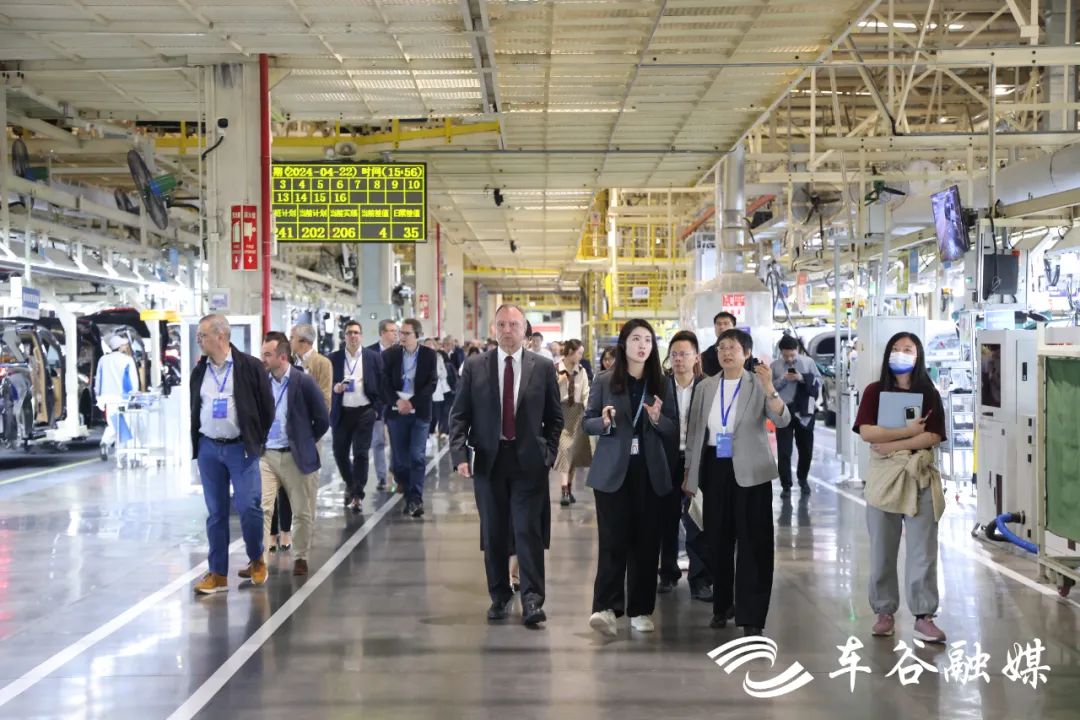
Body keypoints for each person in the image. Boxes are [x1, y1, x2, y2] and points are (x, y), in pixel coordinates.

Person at [449, 304, 563, 627]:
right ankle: (499, 595)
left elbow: (555, 418)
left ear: (525, 329)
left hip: (529, 463)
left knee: (528, 531)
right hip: (489, 462)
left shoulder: (543, 367)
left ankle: (532, 599)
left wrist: (548, 453)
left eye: (514, 324)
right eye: (502, 324)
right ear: (494, 329)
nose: (508, 330)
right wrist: (459, 456)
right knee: (494, 532)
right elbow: (459, 415)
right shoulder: (475, 366)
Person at [684, 329, 790, 636]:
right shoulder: (706, 386)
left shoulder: (757, 384)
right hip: (714, 468)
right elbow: (695, 432)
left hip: (752, 472)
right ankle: (722, 605)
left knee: (754, 543)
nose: (726, 353)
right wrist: (690, 473)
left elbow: (782, 420)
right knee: (717, 540)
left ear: (746, 353)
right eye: (721, 348)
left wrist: (770, 388)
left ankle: (752, 616)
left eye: (732, 347)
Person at [584, 319, 677, 637]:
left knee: (647, 542)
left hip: (649, 471)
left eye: (648, 340)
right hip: (612, 472)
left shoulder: (662, 383)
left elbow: (672, 427)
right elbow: (587, 422)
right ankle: (606, 608)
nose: (642, 345)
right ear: (624, 344)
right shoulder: (605, 380)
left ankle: (641, 609)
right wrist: (603, 422)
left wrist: (658, 419)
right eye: (636, 339)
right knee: (613, 541)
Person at [853, 332, 947, 643]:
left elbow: (932, 436)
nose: (901, 354)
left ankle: (924, 615)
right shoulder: (875, 391)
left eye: (908, 349)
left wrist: (894, 442)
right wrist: (907, 432)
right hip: (884, 479)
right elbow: (867, 433)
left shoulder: (928, 393)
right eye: (895, 349)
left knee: (923, 550)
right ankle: (884, 612)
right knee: (882, 549)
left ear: (918, 355)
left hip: (919, 476)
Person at [190, 315, 275, 595]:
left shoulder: (249, 366)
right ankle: (217, 574)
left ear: (221, 336)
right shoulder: (200, 371)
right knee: (216, 513)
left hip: (241, 448)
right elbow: (196, 406)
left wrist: (256, 439)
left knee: (249, 506)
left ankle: (256, 559)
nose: (199, 340)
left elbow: (267, 408)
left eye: (202, 335)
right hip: (209, 448)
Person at [256, 332, 330, 576]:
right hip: (267, 454)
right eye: (263, 353)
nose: (263, 359)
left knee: (301, 511)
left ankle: (300, 557)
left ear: (282, 357)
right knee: (263, 508)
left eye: (268, 354)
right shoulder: (262, 382)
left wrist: (305, 440)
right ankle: (260, 561)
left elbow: (322, 419)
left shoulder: (303, 382)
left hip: (294, 456)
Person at [658, 330, 712, 601]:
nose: (678, 359)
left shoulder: (708, 386)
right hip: (667, 461)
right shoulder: (660, 385)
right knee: (666, 520)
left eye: (684, 354)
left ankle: (700, 579)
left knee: (697, 520)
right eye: (674, 354)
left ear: (696, 357)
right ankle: (668, 573)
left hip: (698, 462)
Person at [381, 318, 438, 518]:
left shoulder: (429, 355)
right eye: (401, 333)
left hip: (420, 412)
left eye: (406, 333)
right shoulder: (390, 355)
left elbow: (431, 383)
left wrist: (412, 403)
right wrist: (398, 402)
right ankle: (406, 488)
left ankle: (415, 499)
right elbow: (384, 383)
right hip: (396, 412)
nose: (402, 337)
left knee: (417, 456)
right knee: (400, 462)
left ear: (417, 336)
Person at [329, 321, 383, 513]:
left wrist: (377, 409)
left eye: (356, 332)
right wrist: (335, 388)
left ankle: (358, 494)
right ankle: (351, 484)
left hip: (365, 411)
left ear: (361, 336)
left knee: (361, 453)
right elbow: (325, 383)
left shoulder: (373, 357)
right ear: (344, 336)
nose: (353, 336)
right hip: (342, 412)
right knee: (339, 452)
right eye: (349, 333)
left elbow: (382, 383)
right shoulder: (333, 358)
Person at [771, 334, 822, 497]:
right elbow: (770, 388)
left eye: (792, 355)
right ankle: (786, 485)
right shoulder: (775, 366)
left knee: (806, 449)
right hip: (783, 411)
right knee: (784, 451)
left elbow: (819, 382)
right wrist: (783, 379)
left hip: (805, 412)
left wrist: (802, 378)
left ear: (797, 350)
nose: (789, 359)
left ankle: (803, 479)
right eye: (786, 355)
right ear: (781, 352)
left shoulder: (808, 362)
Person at [553, 339, 591, 507]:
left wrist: (589, 412)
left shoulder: (581, 371)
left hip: (577, 415)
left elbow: (586, 393)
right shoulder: (555, 369)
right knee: (564, 450)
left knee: (573, 453)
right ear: (570, 352)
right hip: (561, 414)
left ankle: (568, 488)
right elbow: (547, 392)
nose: (581, 356)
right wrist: (559, 382)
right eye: (579, 353)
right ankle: (564, 491)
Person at [95, 334, 139, 460]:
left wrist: (98, 396)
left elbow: (98, 380)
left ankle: (112, 447)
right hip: (122, 398)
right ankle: (113, 446)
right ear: (119, 347)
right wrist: (134, 395)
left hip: (107, 398)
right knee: (122, 423)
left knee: (115, 422)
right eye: (123, 345)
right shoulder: (128, 360)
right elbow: (133, 380)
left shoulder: (103, 360)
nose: (125, 347)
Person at [368, 319, 398, 491]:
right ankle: (381, 478)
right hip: (376, 404)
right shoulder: (369, 352)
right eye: (391, 330)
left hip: (395, 403)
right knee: (378, 441)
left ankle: (394, 472)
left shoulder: (401, 352)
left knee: (396, 441)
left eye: (396, 330)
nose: (395, 334)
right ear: (382, 333)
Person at [289, 323, 332, 410]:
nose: (289, 341)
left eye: (292, 337)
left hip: (310, 416)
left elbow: (325, 400)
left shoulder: (323, 363)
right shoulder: (290, 361)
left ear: (303, 341)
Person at [699, 312, 738, 377]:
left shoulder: (742, 351)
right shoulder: (707, 354)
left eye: (726, 323)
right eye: (718, 324)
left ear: (734, 327)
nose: (721, 327)